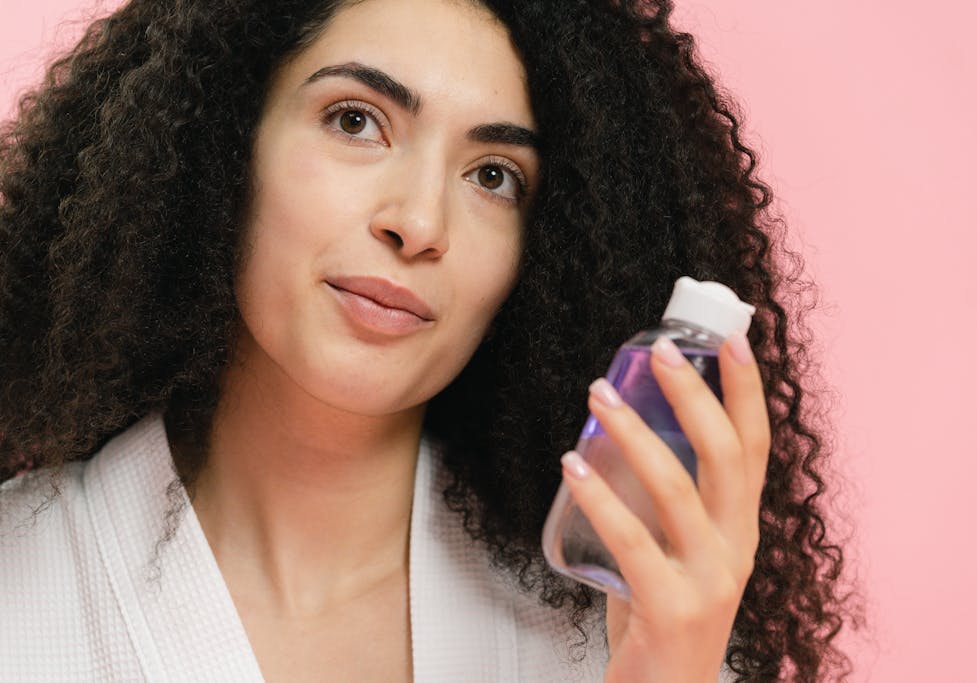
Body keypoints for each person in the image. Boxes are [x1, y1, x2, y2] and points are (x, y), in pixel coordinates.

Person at [0, 0, 856, 680]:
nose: (417, 222)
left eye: (493, 176)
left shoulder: (627, 635)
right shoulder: (19, 581)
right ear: (218, 144)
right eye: (354, 120)